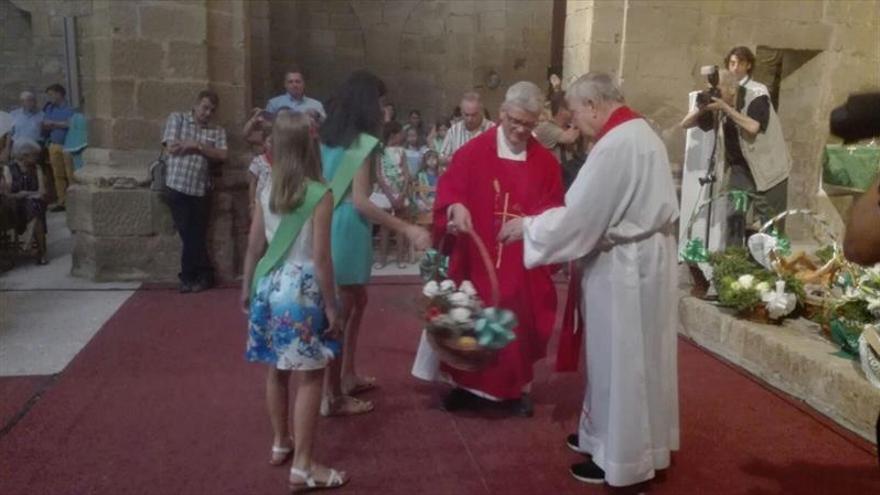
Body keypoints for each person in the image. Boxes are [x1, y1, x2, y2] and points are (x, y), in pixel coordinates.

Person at [498, 72, 680, 487]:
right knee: (633, 358)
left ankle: (622, 458)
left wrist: (527, 227)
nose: (573, 123)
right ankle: (611, 438)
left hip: (625, 266)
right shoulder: (641, 131)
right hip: (643, 258)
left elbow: (581, 216)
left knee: (622, 360)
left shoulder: (615, 145)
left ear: (594, 106)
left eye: (576, 113)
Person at [411, 81, 564, 417]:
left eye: (529, 124)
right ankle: (465, 387)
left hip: (522, 261)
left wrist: (531, 228)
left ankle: (513, 390)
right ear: (503, 112)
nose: (521, 130)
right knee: (470, 313)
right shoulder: (473, 152)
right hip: (474, 256)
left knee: (518, 319)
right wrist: (454, 209)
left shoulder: (546, 164)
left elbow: (555, 211)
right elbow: (449, 191)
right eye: (515, 121)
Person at [241, 110, 349, 491]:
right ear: (309, 145)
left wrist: (246, 286)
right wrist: (333, 307)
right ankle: (303, 467)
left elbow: (255, 244)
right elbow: (321, 258)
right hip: (302, 291)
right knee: (311, 375)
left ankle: (280, 441)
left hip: (269, 286)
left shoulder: (266, 187)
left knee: (276, 366)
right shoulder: (319, 193)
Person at [319, 70, 431, 416]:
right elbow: (362, 201)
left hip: (329, 223)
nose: (385, 110)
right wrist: (406, 228)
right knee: (341, 311)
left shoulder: (328, 136)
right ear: (369, 103)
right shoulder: (363, 143)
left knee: (358, 301)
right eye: (381, 102)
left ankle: (347, 375)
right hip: (349, 227)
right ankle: (332, 395)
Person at [680, 68, 790, 247]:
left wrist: (726, 108)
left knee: (772, 225)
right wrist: (702, 108)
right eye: (711, 90)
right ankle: (734, 261)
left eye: (718, 90)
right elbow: (685, 124)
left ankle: (772, 268)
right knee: (733, 219)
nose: (715, 94)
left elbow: (753, 128)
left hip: (770, 170)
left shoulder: (756, 98)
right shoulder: (719, 105)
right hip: (740, 171)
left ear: (732, 89)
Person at [162, 90, 228, 293]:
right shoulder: (178, 119)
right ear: (196, 105)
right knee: (189, 234)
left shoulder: (217, 131)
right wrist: (205, 149)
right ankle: (194, 275)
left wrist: (195, 145)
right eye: (204, 107)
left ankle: (197, 276)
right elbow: (172, 148)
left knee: (196, 234)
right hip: (176, 185)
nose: (207, 113)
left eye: (211, 110)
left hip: (200, 189)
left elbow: (223, 155)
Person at [1, 138, 48, 265]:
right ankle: (37, 250)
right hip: (15, 205)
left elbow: (42, 192)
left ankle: (39, 250)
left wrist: (26, 194)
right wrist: (22, 195)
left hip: (32, 203)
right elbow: (7, 193)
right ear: (24, 156)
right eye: (34, 155)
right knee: (35, 208)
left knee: (35, 207)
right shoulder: (9, 169)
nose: (37, 158)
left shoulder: (37, 168)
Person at [375, 121, 412, 268]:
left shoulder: (401, 152)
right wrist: (390, 195)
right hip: (386, 193)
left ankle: (400, 258)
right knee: (385, 227)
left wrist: (402, 193)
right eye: (400, 133)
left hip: (400, 192)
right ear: (393, 135)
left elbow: (407, 173)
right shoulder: (380, 151)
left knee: (400, 226)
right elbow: (378, 174)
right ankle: (382, 258)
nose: (402, 136)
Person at [533, 91, 583, 189]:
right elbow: (569, 138)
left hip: (569, 174)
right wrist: (579, 122)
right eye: (571, 109)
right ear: (561, 110)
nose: (573, 112)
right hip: (556, 176)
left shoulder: (568, 127)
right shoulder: (546, 127)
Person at [41, 84, 74, 212]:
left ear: (59, 94)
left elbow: (71, 124)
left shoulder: (70, 108)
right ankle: (62, 201)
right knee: (58, 175)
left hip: (68, 145)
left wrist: (54, 124)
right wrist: (55, 125)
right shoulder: (49, 108)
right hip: (54, 145)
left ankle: (74, 200)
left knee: (70, 174)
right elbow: (44, 124)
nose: (49, 98)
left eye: (51, 94)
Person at [439, 92, 495, 162]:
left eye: (474, 115)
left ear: (481, 111)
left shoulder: (493, 129)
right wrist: (457, 159)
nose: (470, 119)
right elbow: (442, 157)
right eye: (466, 115)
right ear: (461, 112)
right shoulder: (454, 131)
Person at [247, 119, 274, 218]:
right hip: (261, 203)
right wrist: (252, 205)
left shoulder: (282, 162)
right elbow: (253, 183)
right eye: (270, 142)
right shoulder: (258, 161)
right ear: (264, 143)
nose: (273, 145)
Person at [6, 91, 44, 155]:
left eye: (33, 100)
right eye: (29, 100)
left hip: (35, 148)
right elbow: (10, 133)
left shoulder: (42, 115)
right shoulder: (14, 114)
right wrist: (7, 149)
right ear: (22, 102)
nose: (32, 103)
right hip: (18, 147)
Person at [414, 150, 440, 214]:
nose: (431, 161)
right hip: (424, 198)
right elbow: (421, 193)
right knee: (422, 206)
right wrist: (428, 203)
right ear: (425, 161)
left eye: (434, 159)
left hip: (436, 198)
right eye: (429, 159)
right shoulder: (422, 175)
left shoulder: (440, 174)